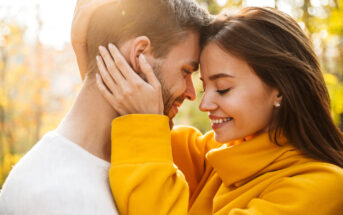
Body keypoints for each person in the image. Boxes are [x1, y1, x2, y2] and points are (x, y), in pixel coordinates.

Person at [95, 7, 343, 215]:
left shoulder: (322, 187)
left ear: (280, 88)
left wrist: (144, 123)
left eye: (223, 89)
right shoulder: (215, 154)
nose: (204, 105)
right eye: (205, 88)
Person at [0, 0, 211, 214]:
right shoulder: (56, 196)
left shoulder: (140, 160)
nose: (192, 94)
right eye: (185, 71)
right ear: (139, 55)